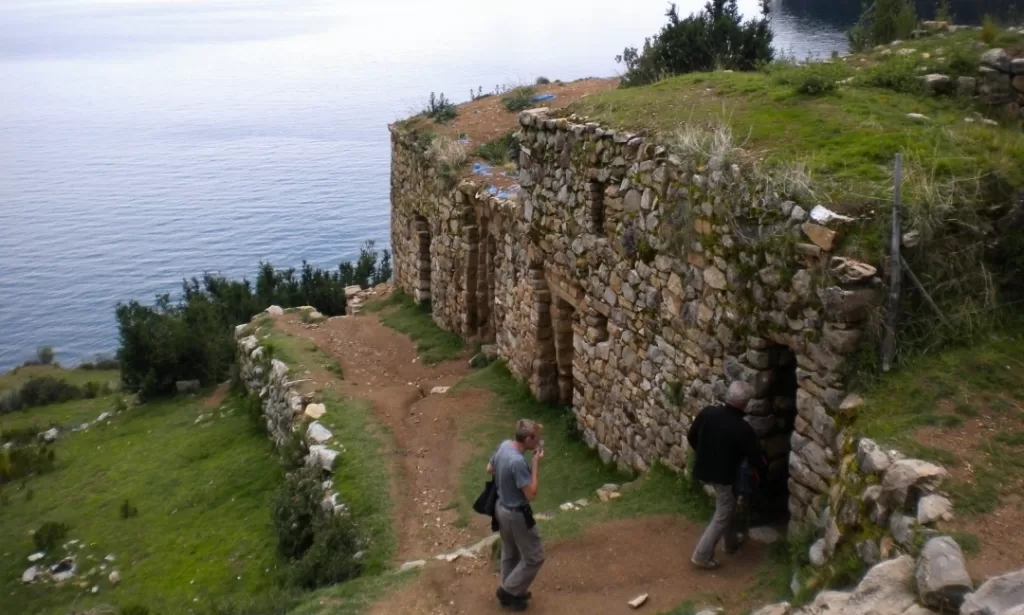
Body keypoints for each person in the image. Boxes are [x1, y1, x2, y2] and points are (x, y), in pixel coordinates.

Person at [687, 381, 762, 570]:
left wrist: (702, 453)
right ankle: (701, 555)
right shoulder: (742, 428)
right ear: (744, 404)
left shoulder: (708, 413)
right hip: (724, 476)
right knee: (724, 511)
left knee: (727, 504)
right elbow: (754, 457)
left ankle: (730, 542)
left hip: (704, 468)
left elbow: (691, 436)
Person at [487, 419, 546, 611]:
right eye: (536, 439)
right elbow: (532, 494)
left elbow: (490, 469)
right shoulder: (518, 462)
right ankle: (508, 591)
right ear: (528, 439)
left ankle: (513, 593)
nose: (538, 442)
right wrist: (535, 464)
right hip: (517, 515)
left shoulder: (504, 446)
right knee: (535, 557)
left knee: (510, 552)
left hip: (501, 508)